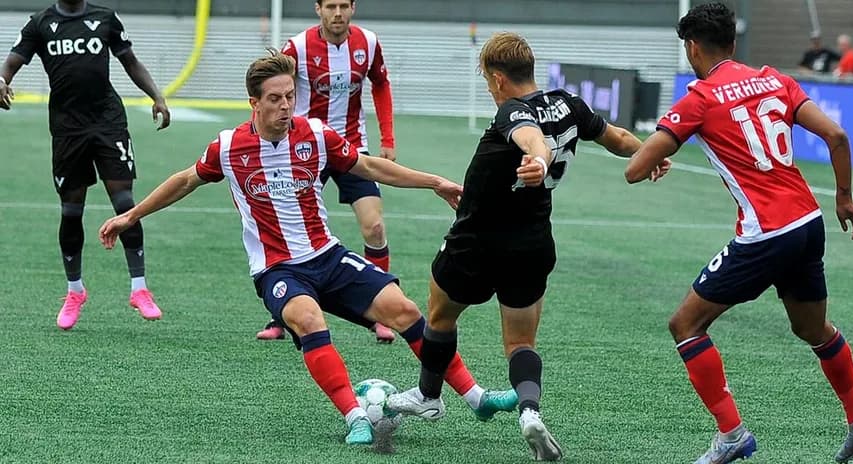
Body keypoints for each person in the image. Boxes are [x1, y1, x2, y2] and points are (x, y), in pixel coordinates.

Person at [98, 50, 517, 445]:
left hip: (327, 256)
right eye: (276, 99)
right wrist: (131, 215)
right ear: (254, 103)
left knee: (404, 310)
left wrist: (434, 182)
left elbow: (368, 166)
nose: (286, 106)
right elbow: (185, 179)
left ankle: (476, 398)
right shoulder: (228, 147)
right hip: (277, 270)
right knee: (309, 318)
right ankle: (355, 417)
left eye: (290, 97)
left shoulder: (315, 135)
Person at [386, 32, 670, 461]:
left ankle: (429, 395)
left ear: (498, 78)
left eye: (486, 80)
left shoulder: (511, 112)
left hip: (476, 241)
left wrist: (536, 159)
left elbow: (530, 137)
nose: (488, 88)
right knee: (521, 342)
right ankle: (530, 412)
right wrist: (651, 153)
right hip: (532, 242)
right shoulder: (570, 104)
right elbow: (616, 137)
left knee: (440, 313)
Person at [623, 4, 853, 463]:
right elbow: (838, 137)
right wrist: (843, 198)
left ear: (692, 47)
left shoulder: (699, 98)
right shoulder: (775, 79)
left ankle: (731, 435)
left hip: (765, 233)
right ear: (733, 41)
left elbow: (634, 170)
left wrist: (656, 153)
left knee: (685, 325)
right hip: (808, 223)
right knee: (812, 328)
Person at [0, 0, 171, 330]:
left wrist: (157, 96)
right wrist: (1, 81)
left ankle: (139, 288)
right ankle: (74, 291)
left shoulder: (105, 17)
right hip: (68, 129)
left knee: (124, 203)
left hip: (108, 122)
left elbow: (130, 62)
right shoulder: (40, 23)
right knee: (71, 210)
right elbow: (9, 66)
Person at [254, 0, 397, 343]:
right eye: (330, 6)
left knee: (374, 226)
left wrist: (387, 137)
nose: (337, 13)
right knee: (288, 234)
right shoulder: (298, 47)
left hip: (351, 147)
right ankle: (280, 315)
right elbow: (273, 87)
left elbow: (381, 84)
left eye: (343, 6)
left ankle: (381, 312)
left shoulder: (369, 43)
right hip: (305, 149)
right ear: (317, 9)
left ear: (353, 8)